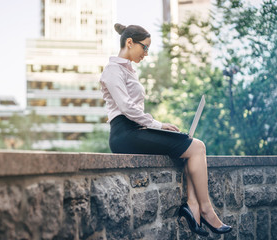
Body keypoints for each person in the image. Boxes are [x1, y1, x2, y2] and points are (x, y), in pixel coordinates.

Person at [99, 23, 232, 237]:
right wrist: (158, 125)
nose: (147, 53)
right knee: (197, 147)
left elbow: (133, 110)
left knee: (189, 146)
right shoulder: (112, 70)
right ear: (130, 42)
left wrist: (159, 126)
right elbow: (126, 108)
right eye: (145, 48)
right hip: (125, 134)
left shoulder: (128, 70)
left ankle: (193, 205)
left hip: (136, 130)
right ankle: (205, 209)